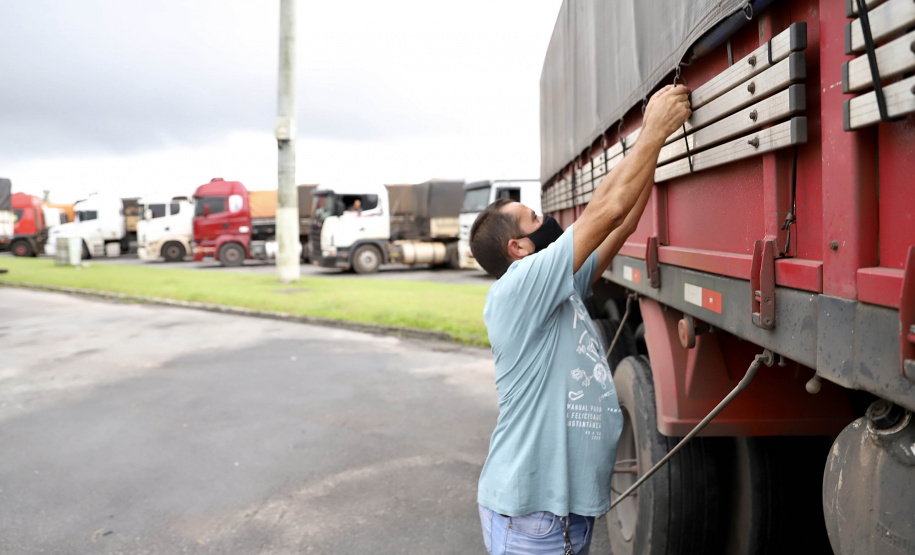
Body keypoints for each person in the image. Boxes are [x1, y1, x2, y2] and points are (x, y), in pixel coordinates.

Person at [469, 84, 691, 555]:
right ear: (518, 248)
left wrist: (656, 144)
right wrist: (652, 130)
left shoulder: (555, 286)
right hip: (532, 521)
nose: (548, 218)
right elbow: (603, 210)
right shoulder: (517, 288)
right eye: (534, 218)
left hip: (560, 518)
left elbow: (621, 220)